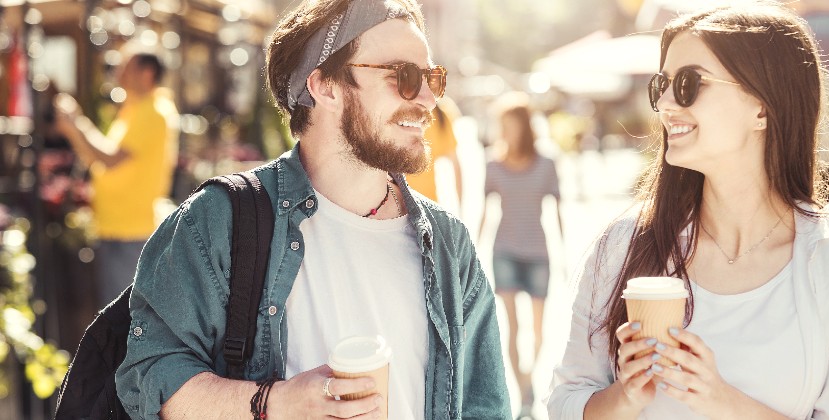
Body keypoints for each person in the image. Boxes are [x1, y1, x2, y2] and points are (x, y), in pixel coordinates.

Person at [114, 0, 509, 418]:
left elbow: (484, 408)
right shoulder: (218, 220)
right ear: (326, 87)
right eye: (404, 76)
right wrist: (275, 403)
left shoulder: (450, 245)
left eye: (432, 77)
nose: (429, 99)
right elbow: (151, 374)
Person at [546, 3, 829, 419]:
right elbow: (564, 404)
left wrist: (723, 401)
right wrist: (623, 398)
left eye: (687, 83)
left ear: (762, 106)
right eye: (660, 84)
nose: (663, 104)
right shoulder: (624, 244)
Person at [53, 52, 179, 306]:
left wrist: (76, 121)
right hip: (118, 228)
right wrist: (72, 128)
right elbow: (98, 160)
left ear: (147, 73)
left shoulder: (154, 111)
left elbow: (109, 158)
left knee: (125, 319)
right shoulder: (134, 110)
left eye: (126, 68)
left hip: (131, 231)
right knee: (118, 316)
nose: (119, 74)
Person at [479, 92, 563, 419]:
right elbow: (485, 212)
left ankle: (528, 382)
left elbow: (558, 210)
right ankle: (525, 394)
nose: (505, 132)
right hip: (505, 253)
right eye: (503, 126)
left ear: (525, 127)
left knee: (540, 332)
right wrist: (472, 250)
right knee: (513, 328)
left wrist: (566, 253)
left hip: (539, 254)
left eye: (511, 125)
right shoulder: (492, 165)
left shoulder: (547, 164)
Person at [404, 96, 464, 210]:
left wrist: (460, 210)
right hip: (398, 207)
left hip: (426, 207)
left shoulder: (442, 113)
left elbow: (456, 165)